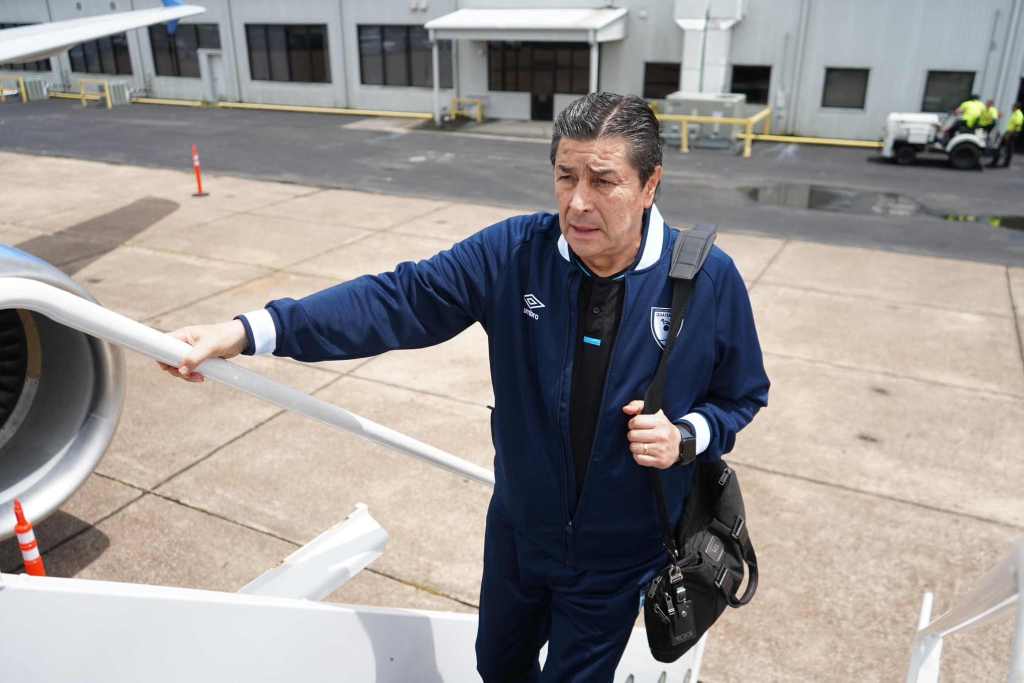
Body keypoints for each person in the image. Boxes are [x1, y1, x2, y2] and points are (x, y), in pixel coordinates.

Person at [157, 92, 770, 682]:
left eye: (603, 181)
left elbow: (742, 394)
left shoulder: (706, 280)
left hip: (618, 552)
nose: (578, 202)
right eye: (565, 177)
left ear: (649, 185)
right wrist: (249, 330)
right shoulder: (516, 254)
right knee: (496, 665)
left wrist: (687, 436)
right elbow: (397, 299)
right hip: (520, 532)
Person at [990, 101, 1022, 168]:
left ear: (1016, 107)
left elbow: (1017, 125)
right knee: (1007, 148)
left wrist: (1009, 134)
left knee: (1006, 148)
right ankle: (1001, 162)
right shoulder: (1015, 113)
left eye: (1013, 106)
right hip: (1010, 132)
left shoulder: (1018, 114)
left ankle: (998, 162)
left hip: (1012, 133)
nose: (1011, 107)